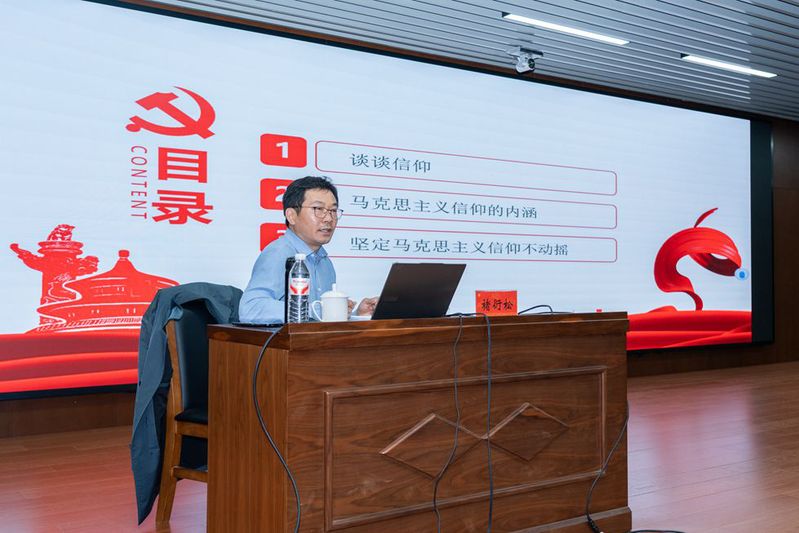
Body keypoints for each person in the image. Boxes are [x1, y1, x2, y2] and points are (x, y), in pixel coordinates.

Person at [239, 176, 377, 323]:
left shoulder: (324, 262)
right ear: (291, 216)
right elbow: (250, 308)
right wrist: (317, 309)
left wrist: (355, 314)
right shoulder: (279, 253)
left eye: (333, 210)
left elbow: (319, 321)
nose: (329, 218)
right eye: (318, 209)